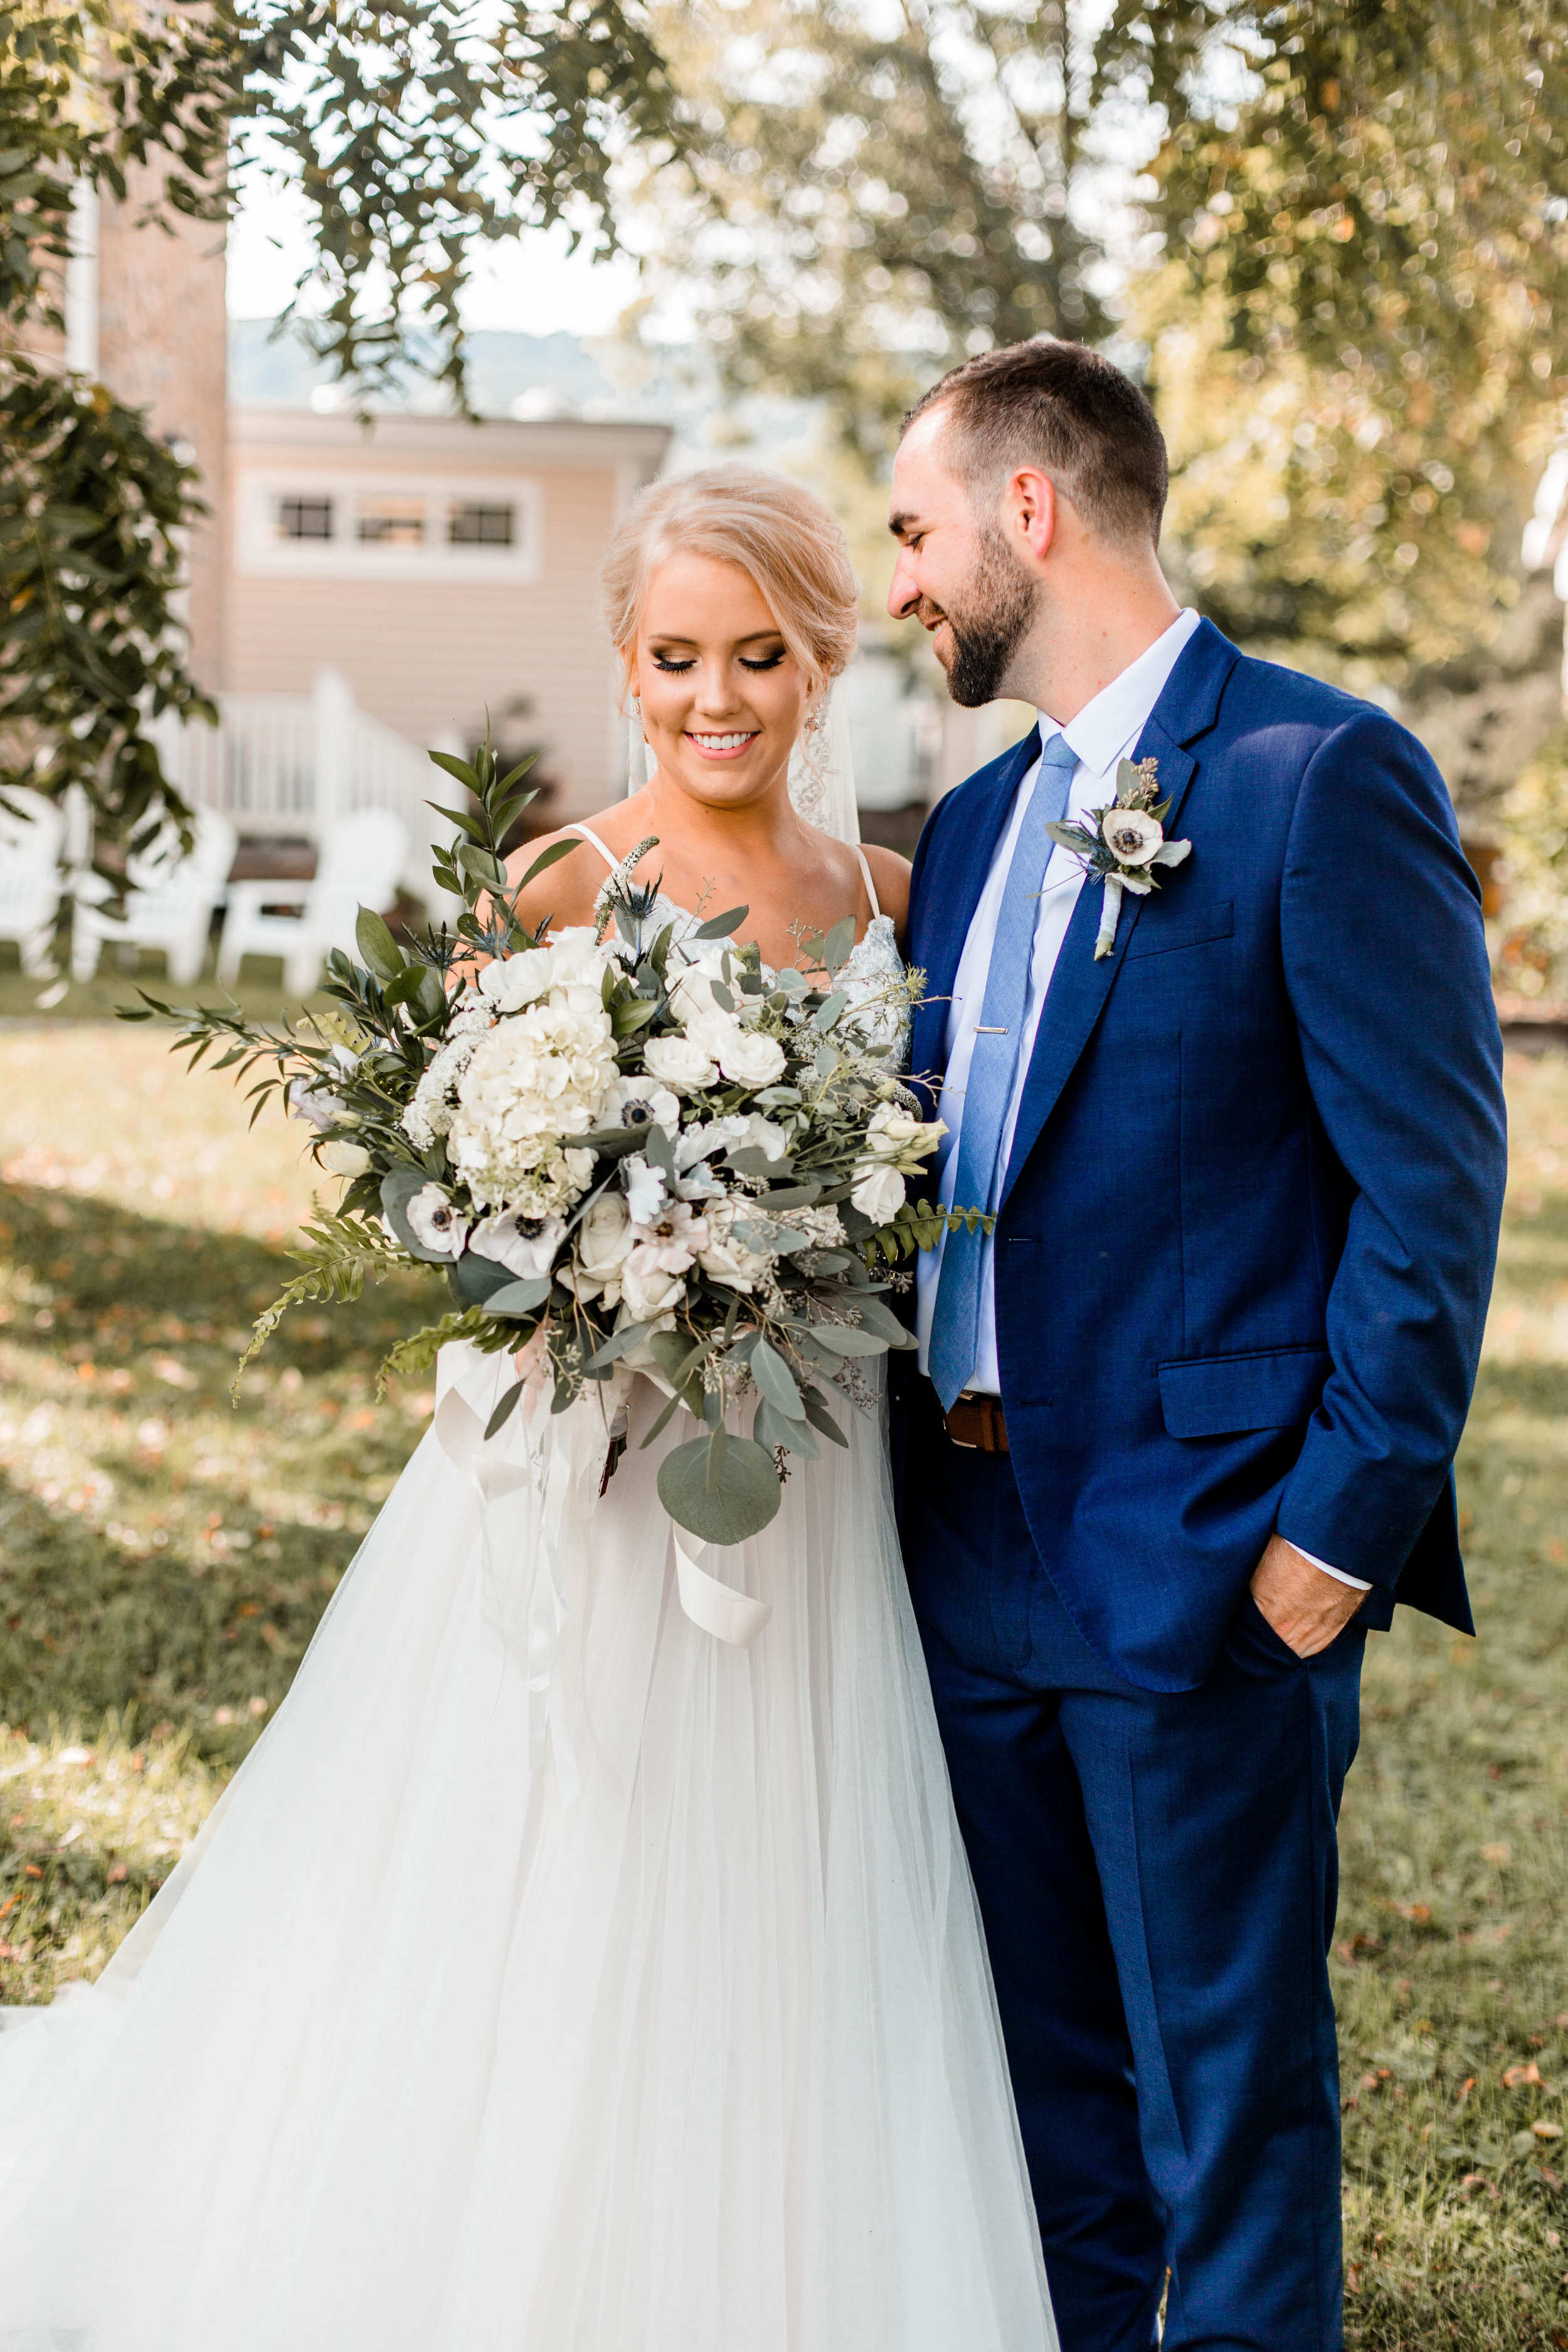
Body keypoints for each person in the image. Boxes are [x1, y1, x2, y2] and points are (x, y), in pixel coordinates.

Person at [0, 469, 1057, 2351]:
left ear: (821, 662)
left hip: (798, 1485)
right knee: (551, 1844)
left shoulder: (904, 908)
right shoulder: (561, 886)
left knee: (781, 1870)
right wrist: (581, 1274)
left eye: (758, 655)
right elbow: (456, 1183)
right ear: (622, 662)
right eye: (673, 657)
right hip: (586, 1474)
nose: (714, 698)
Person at [889, 337, 1508, 2351]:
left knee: (1224, 2121)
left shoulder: (1313, 778)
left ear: (1028, 512)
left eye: (917, 532)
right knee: (1043, 2122)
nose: (903, 585)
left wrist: (1329, 1542)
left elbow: (1428, 1199)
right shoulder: (972, 841)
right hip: (959, 1559)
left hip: (1204, 1563)